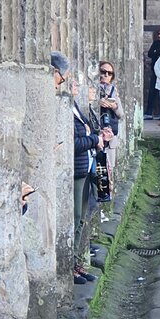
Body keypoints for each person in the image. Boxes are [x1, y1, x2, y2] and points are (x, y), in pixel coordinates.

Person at [73, 77, 112, 284]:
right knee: (76, 216)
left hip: (87, 168)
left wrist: (100, 136)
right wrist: (94, 140)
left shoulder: (78, 109)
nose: (76, 87)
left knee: (82, 218)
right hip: (77, 170)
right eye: (72, 83)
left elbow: (88, 134)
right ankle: (70, 265)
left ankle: (78, 263)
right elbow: (72, 142)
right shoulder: (66, 108)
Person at [97, 61, 124, 173]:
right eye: (103, 72)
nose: (106, 75)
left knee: (109, 170)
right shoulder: (92, 88)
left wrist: (114, 106)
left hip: (110, 134)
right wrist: (99, 103)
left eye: (110, 73)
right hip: (98, 133)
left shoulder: (113, 90)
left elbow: (121, 114)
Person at [145, 28, 160, 120]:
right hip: (156, 72)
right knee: (152, 92)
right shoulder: (156, 43)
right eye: (158, 34)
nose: (159, 36)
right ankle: (149, 112)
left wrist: (158, 52)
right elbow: (150, 54)